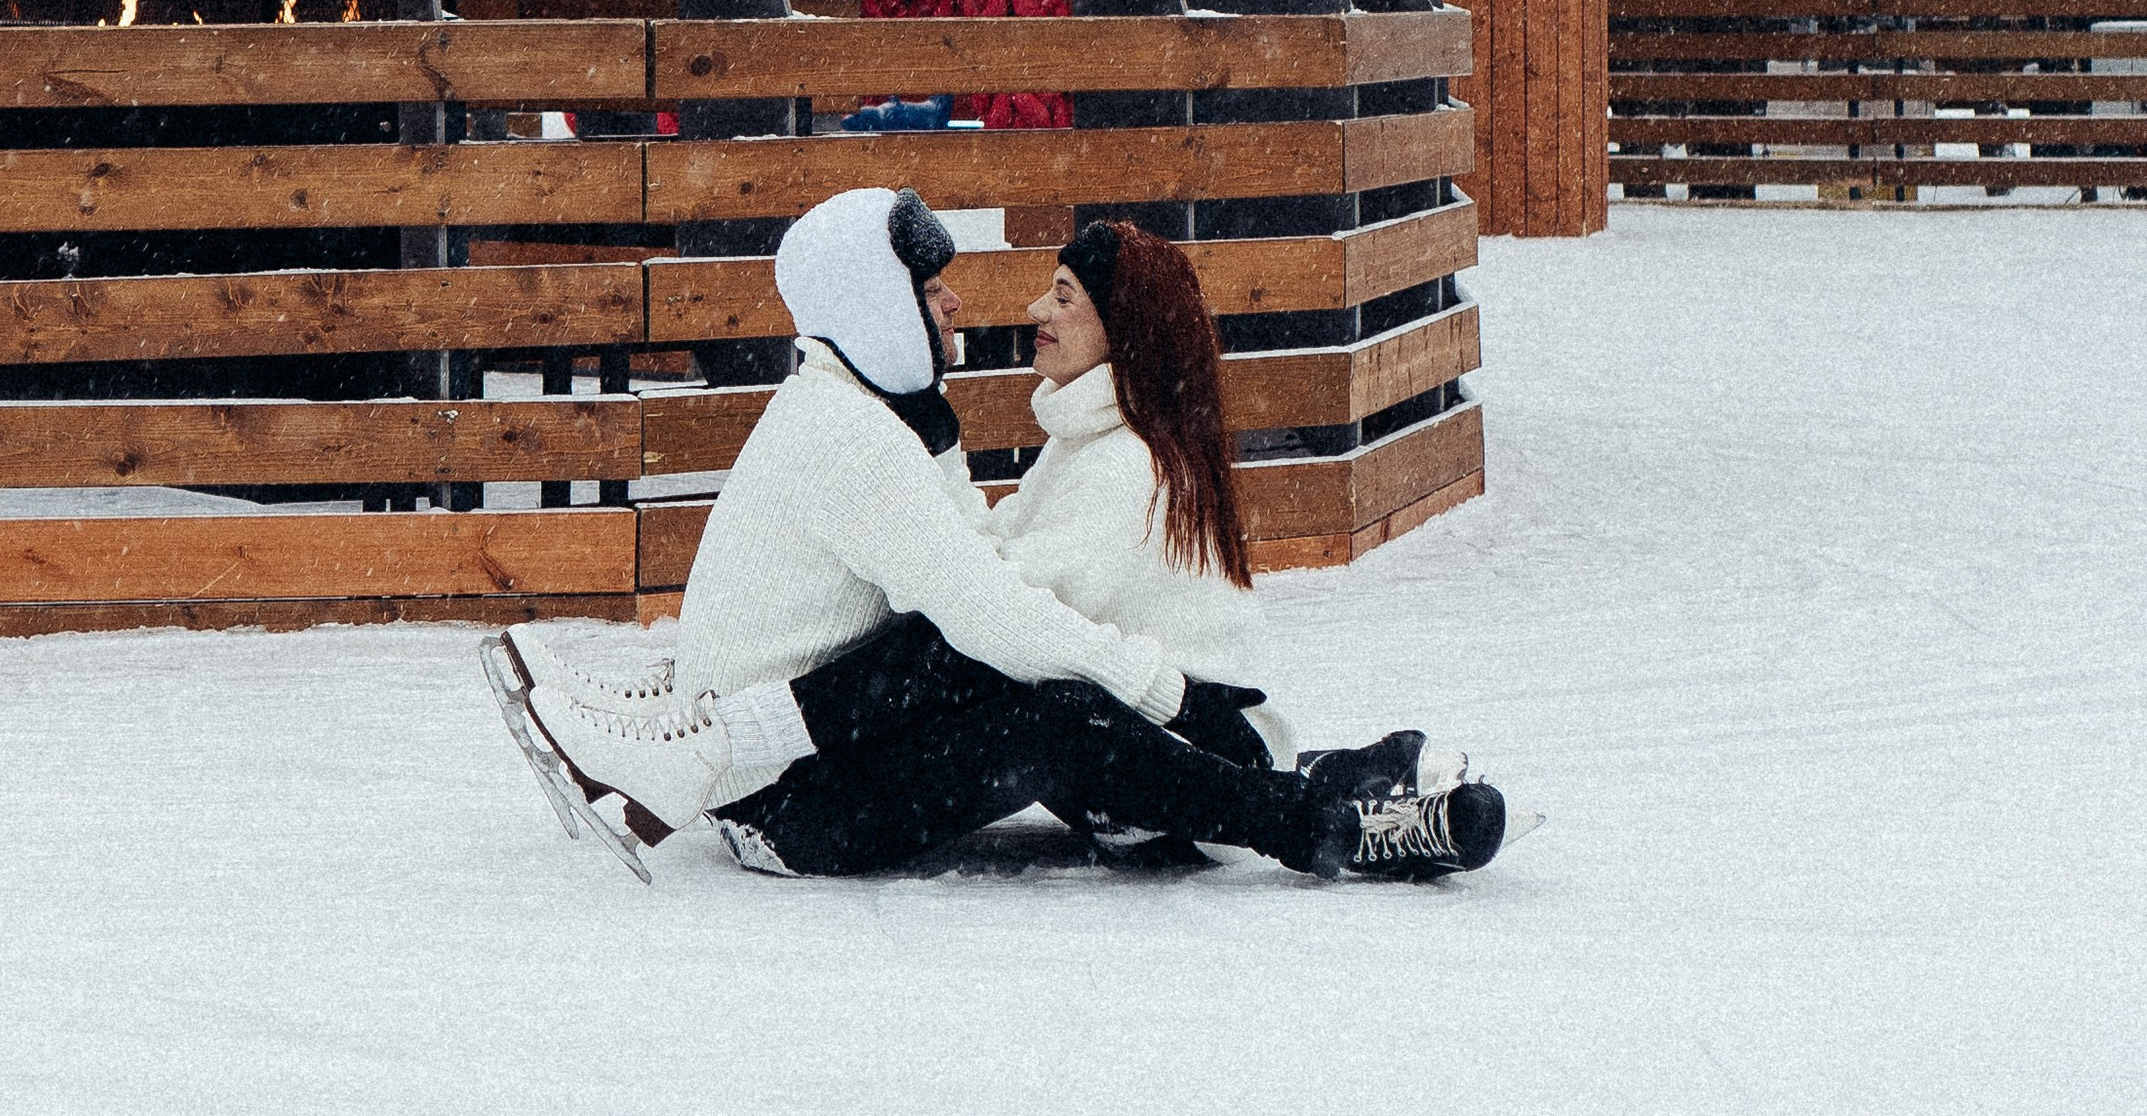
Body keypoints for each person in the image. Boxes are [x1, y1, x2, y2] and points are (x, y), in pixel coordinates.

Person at [489, 185, 1506, 881]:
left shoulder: (847, 409)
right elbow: (985, 602)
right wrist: (1165, 690)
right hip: (788, 811)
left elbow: (984, 596)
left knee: (1016, 678)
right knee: (1013, 683)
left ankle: (1344, 801)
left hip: (809, 780)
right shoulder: (859, 435)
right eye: (930, 291)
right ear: (879, 308)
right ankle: (1322, 819)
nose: (965, 305)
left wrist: (1173, 695)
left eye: (1060, 296)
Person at [1001, 217, 1477, 824]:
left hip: (1193, 751)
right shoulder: (1100, 436)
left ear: (1122, 328)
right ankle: (1355, 774)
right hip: (1191, 733)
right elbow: (1003, 547)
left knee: (1028, 706)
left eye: (1064, 296)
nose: (1037, 309)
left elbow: (1004, 603)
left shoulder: (1125, 463)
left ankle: (1360, 806)